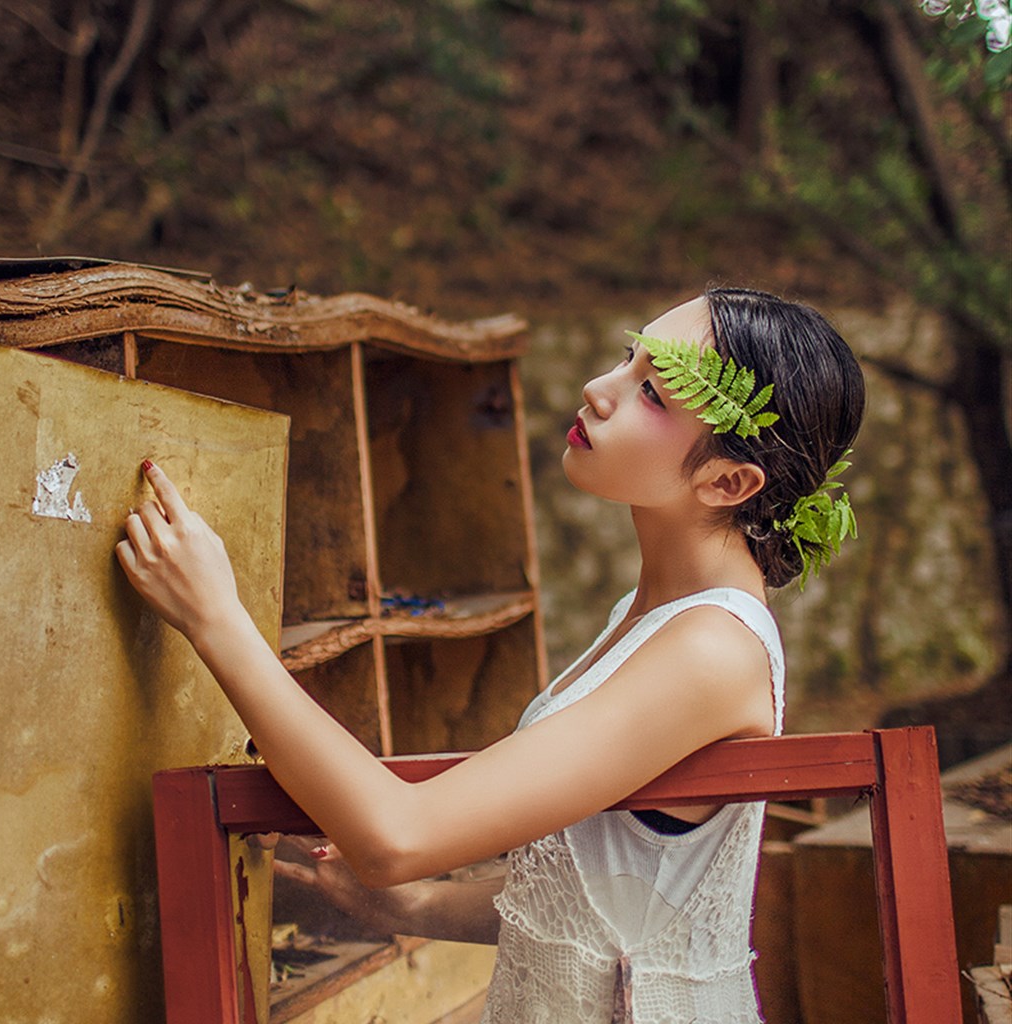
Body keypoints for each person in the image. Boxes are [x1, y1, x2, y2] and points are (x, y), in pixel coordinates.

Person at [117, 286, 865, 1023]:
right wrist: (417, 905)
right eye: (625, 357)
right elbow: (609, 908)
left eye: (654, 394)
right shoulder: (655, 619)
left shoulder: (709, 650)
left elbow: (395, 835)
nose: (598, 390)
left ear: (728, 480)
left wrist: (215, 618)